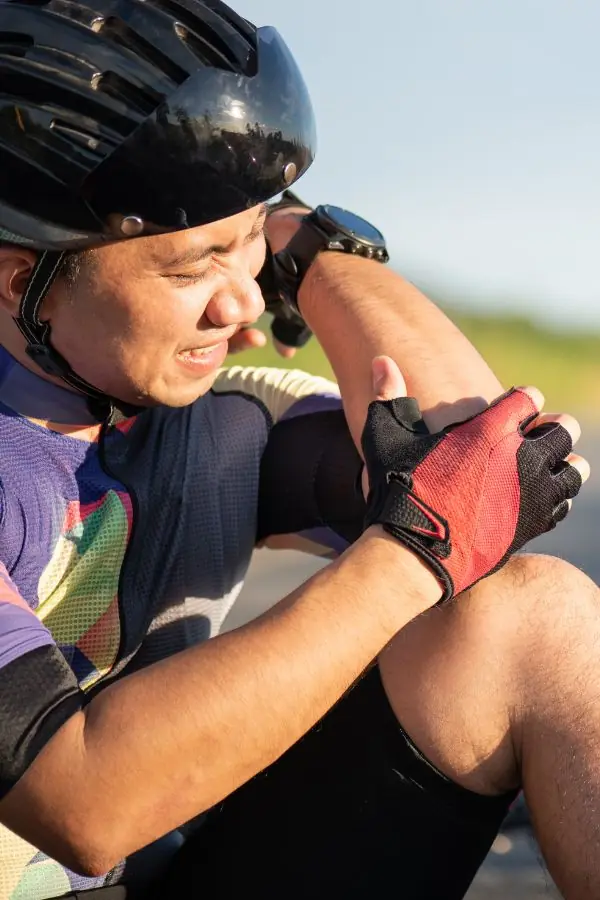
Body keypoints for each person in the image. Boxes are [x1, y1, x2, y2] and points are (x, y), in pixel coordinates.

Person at [0, 2, 596, 899]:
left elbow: (483, 459)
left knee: (533, 615)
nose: (240, 305)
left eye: (249, 244)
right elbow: (83, 805)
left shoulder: (213, 409)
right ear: (22, 280)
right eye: (189, 267)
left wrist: (310, 247)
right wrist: (410, 552)